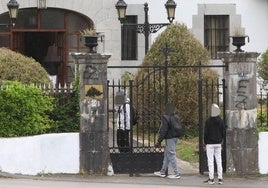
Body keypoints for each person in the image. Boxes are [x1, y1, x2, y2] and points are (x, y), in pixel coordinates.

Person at [154, 103, 181, 179]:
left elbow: (164, 130)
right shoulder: (176, 117)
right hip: (175, 137)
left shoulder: (165, 117)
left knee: (171, 154)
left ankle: (176, 173)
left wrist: (159, 141)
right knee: (167, 155)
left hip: (170, 138)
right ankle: (162, 172)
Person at [204, 103, 225, 185]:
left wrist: (205, 142)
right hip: (218, 143)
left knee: (210, 161)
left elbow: (206, 133)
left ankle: (211, 179)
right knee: (219, 161)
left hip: (209, 144)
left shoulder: (208, 121)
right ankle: (220, 179)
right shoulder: (221, 121)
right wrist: (221, 140)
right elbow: (223, 132)